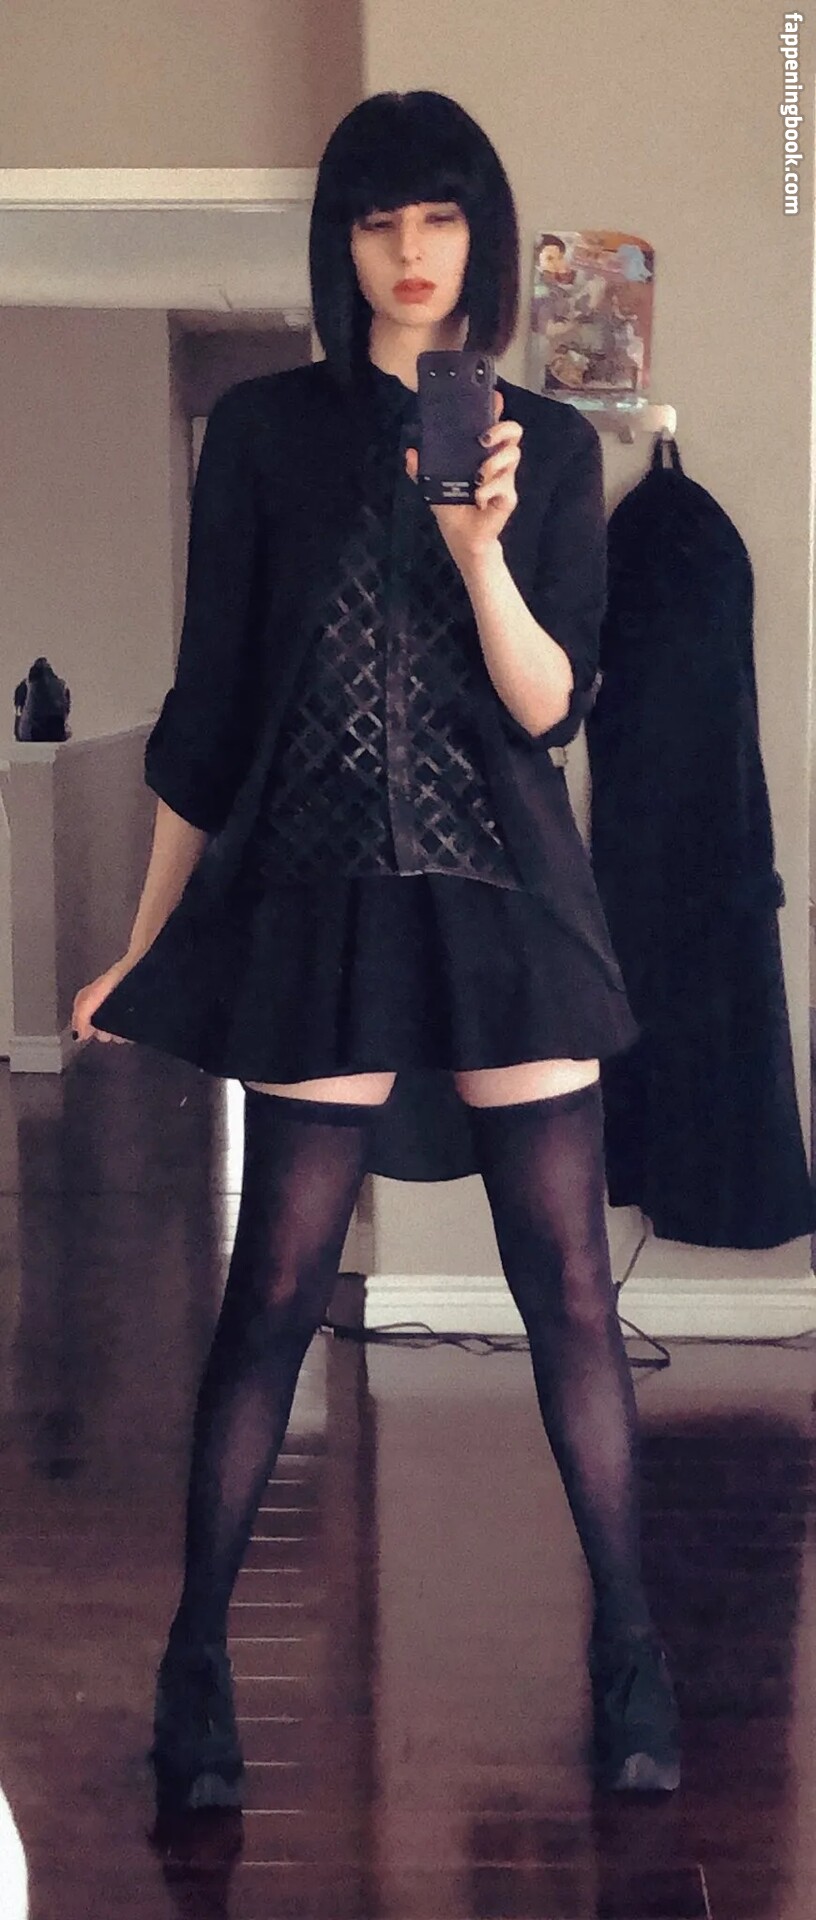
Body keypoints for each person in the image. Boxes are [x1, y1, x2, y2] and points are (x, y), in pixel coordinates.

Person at [72, 90, 680, 1808]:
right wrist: (141, 942)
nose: (411, 253)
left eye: (439, 216)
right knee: (272, 1290)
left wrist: (481, 553)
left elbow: (549, 708)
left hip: (505, 900)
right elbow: (208, 710)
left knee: (567, 1292)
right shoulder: (264, 435)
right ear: (339, 242)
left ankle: (631, 1650)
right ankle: (197, 1668)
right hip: (321, 897)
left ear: (483, 232)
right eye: (375, 220)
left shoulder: (548, 449)